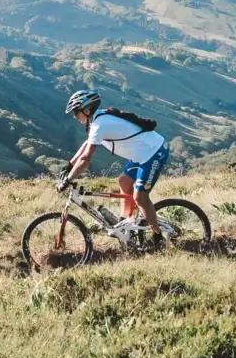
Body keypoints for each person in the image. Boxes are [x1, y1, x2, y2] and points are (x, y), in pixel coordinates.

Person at [63, 89, 170, 249]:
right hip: (140, 154)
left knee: (140, 197)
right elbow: (87, 144)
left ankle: (158, 237)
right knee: (124, 181)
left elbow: (86, 159)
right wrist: (69, 165)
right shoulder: (96, 120)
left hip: (153, 152)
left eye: (76, 112)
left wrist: (69, 179)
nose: (75, 116)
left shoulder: (100, 124)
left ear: (87, 110)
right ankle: (125, 221)